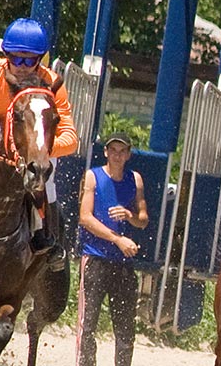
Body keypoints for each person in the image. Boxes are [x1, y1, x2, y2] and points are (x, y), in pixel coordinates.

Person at [0, 17, 79, 268]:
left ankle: (45, 235)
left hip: (31, 134)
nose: (21, 66)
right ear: (5, 54)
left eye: (29, 60)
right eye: (16, 58)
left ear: (40, 59)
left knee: (45, 177)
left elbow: (71, 139)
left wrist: (38, 148)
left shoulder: (52, 84)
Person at [75, 132, 149, 366]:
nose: (117, 155)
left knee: (126, 327)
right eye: (113, 150)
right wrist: (117, 239)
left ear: (128, 155)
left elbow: (143, 220)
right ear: (106, 152)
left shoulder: (134, 179)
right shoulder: (92, 177)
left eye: (122, 151)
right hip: (96, 258)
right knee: (88, 325)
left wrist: (129, 215)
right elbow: (85, 218)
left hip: (123, 261)